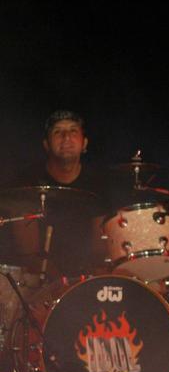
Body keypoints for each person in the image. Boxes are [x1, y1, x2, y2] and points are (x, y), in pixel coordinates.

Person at [5, 110, 110, 278]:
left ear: (84, 144)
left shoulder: (98, 186)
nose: (66, 137)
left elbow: (100, 250)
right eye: (58, 131)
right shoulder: (27, 185)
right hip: (40, 282)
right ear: (46, 144)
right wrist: (58, 284)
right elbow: (29, 254)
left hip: (85, 281)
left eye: (73, 131)